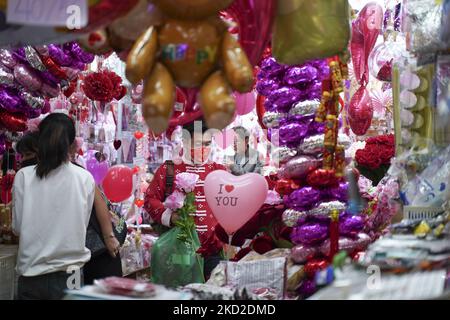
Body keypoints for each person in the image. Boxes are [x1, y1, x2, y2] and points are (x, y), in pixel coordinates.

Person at [16, 131, 124, 285]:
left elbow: (99, 201)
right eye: (22, 156)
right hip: (81, 255)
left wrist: (109, 237)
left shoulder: (70, 171)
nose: (24, 160)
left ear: (40, 152)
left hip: (98, 250)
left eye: (27, 155)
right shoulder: (36, 177)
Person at [12, 113, 95, 300]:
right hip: (70, 274)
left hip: (32, 274)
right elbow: (83, 224)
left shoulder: (24, 176)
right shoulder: (85, 178)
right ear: (73, 143)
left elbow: (17, 228)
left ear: (40, 140)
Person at [144, 119, 226, 278]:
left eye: (207, 144)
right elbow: (150, 199)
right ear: (185, 142)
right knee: (182, 289)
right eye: (197, 144)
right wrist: (170, 216)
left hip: (213, 250)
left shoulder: (219, 171)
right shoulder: (169, 169)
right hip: (180, 247)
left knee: (211, 293)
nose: (203, 149)